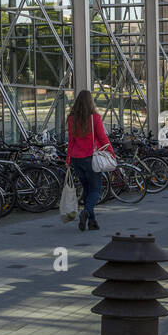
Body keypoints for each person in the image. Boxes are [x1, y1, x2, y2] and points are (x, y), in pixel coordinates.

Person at [64, 89, 113, 231]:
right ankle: (86, 211)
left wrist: (68, 158)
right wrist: (111, 152)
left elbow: (71, 141)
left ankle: (92, 222)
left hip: (76, 159)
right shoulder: (95, 117)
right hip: (91, 158)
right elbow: (103, 138)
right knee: (96, 190)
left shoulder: (71, 118)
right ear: (91, 102)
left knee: (86, 189)